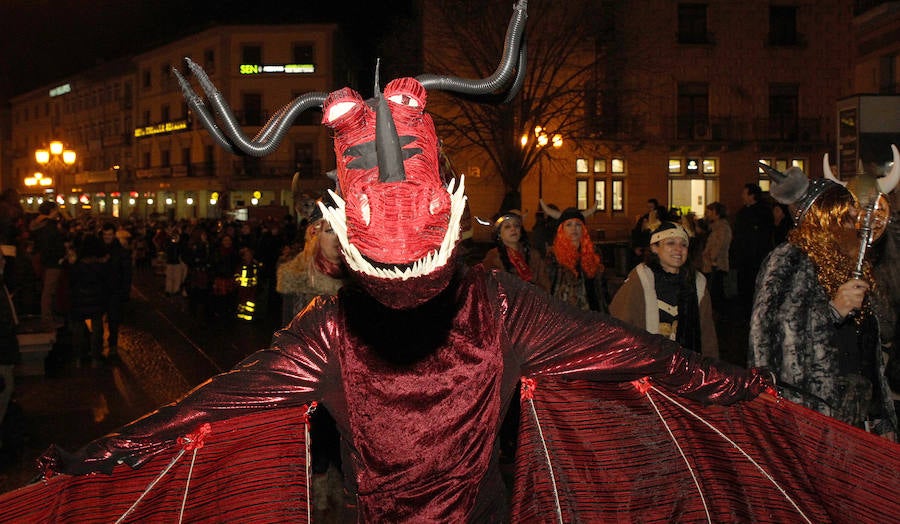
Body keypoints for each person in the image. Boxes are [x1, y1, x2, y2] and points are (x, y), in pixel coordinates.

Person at [750, 158, 899, 439]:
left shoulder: (852, 262)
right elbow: (775, 340)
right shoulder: (788, 260)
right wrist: (832, 311)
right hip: (815, 419)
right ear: (825, 218)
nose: (855, 221)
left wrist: (880, 417)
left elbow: (874, 340)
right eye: (847, 215)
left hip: (861, 416)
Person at [610, 222, 718, 359]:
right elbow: (620, 326)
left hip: (686, 365)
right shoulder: (640, 280)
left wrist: (712, 366)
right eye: (671, 243)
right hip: (648, 365)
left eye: (683, 244)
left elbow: (707, 332)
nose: (678, 249)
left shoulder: (697, 284)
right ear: (655, 248)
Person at [543, 205, 606, 311]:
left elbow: (600, 287)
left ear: (583, 229)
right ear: (562, 230)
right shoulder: (553, 255)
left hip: (591, 312)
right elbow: (548, 286)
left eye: (578, 224)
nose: (574, 229)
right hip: (564, 312)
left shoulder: (594, 252)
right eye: (569, 225)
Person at [65, 235, 110, 365]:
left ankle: (78, 357)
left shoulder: (78, 264)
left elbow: (72, 281)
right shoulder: (100, 265)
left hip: (79, 300)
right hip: (96, 300)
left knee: (78, 329)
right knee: (97, 328)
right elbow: (105, 281)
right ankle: (95, 356)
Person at [481, 211, 550, 292]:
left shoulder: (533, 254)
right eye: (507, 227)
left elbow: (545, 283)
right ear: (499, 233)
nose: (513, 229)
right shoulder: (493, 256)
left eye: (516, 226)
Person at [730, 183, 773, 312]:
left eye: (744, 193)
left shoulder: (762, 213)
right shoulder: (743, 212)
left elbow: (763, 237)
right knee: (743, 286)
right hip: (744, 259)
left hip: (755, 258)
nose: (742, 196)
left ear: (752, 195)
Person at [30, 201, 67, 328]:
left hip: (46, 261)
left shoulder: (40, 225)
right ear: (52, 211)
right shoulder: (50, 227)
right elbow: (51, 245)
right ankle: (47, 318)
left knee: (48, 290)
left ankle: (49, 316)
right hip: (53, 262)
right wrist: (60, 256)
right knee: (49, 291)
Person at [100, 222, 132, 359]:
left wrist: (125, 291)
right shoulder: (98, 250)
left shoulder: (120, 252)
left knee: (113, 319)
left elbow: (127, 273)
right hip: (100, 290)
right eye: (105, 235)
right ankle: (99, 344)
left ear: (114, 235)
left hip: (114, 290)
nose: (107, 237)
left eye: (110, 235)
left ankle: (112, 344)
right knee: (98, 319)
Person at [701, 201, 731, 314]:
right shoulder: (715, 227)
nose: (708, 214)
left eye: (710, 211)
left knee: (716, 292)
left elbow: (719, 245)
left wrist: (712, 258)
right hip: (712, 264)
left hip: (716, 265)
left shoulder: (722, 227)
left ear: (716, 213)